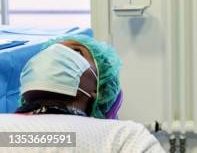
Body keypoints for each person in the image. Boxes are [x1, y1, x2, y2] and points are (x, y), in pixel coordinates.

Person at [0, 34, 164, 152]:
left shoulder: (123, 138)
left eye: (76, 52)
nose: (52, 56)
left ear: (97, 88)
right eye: (44, 54)